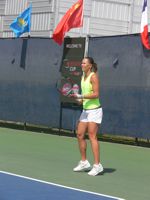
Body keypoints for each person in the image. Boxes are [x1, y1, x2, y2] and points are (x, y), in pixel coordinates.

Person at [71, 56, 103, 176]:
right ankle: (84, 162)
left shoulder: (93, 76)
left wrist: (82, 96)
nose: (82, 64)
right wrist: (79, 99)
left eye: (84, 63)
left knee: (92, 136)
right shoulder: (82, 77)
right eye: (81, 63)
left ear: (90, 65)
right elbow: (84, 96)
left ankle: (97, 165)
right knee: (79, 134)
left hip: (95, 110)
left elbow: (96, 94)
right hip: (85, 110)